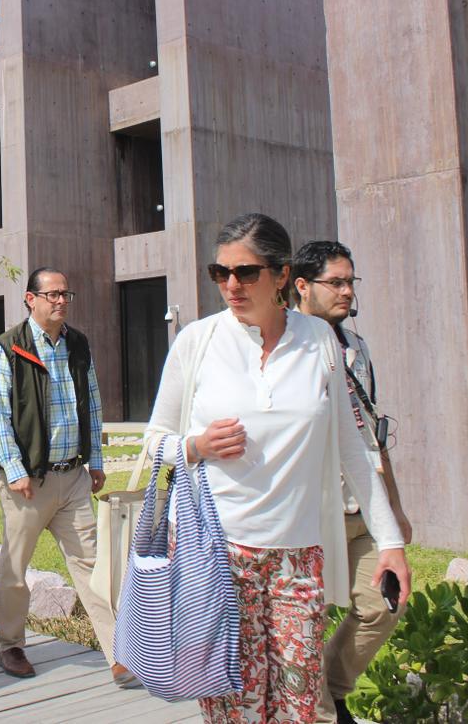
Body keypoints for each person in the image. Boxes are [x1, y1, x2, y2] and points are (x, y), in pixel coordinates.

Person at [145, 213, 411, 722]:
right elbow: (154, 444)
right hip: (215, 558)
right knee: (234, 707)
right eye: (218, 273)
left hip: (298, 558)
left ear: (282, 275)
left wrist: (391, 542)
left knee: (299, 705)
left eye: (246, 273)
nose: (230, 285)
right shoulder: (197, 343)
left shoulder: (320, 342)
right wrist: (196, 445)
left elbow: (354, 448)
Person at [0, 267, 135, 688]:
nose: (60, 301)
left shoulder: (78, 344)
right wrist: (15, 471)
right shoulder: (7, 348)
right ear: (30, 299)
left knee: (92, 565)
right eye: (51, 294)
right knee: (14, 568)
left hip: (72, 478)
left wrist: (97, 459)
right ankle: (10, 644)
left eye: (65, 293)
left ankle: (119, 652)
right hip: (28, 481)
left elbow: (92, 403)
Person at [293, 240, 411, 724]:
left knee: (385, 603)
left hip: (362, 508)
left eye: (350, 282)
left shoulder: (355, 346)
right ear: (302, 286)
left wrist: (394, 509)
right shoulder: (287, 345)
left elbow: (371, 432)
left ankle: (333, 692)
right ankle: (319, 712)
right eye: (335, 282)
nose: (346, 292)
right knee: (304, 625)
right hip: (311, 516)